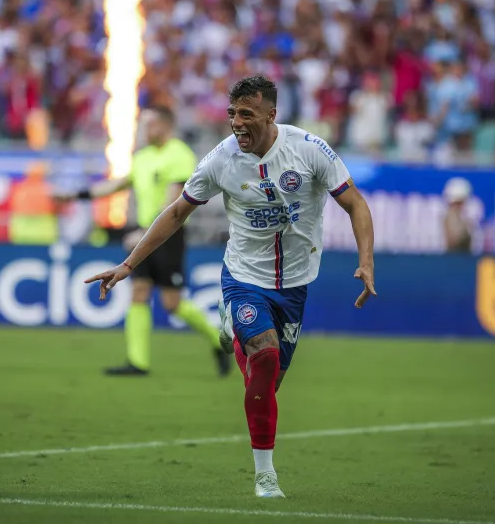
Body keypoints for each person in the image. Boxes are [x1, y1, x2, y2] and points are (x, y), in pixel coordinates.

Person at [84, 76, 376, 498]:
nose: (236, 123)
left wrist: (366, 261)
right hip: (243, 277)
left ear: (271, 115)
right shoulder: (220, 160)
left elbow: (355, 204)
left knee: (268, 381)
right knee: (264, 357)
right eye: (232, 114)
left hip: (296, 282)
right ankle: (265, 474)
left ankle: (231, 332)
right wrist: (129, 264)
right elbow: (177, 212)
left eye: (247, 115)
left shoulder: (309, 149)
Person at [57, 106, 231, 377]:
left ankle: (218, 340)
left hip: (167, 234)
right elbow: (117, 185)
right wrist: (77, 195)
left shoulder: (179, 154)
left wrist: (146, 232)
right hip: (143, 233)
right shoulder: (143, 157)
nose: (144, 131)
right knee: (139, 293)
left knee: (172, 303)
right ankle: (137, 362)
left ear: (164, 125)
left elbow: (173, 202)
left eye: (149, 125)